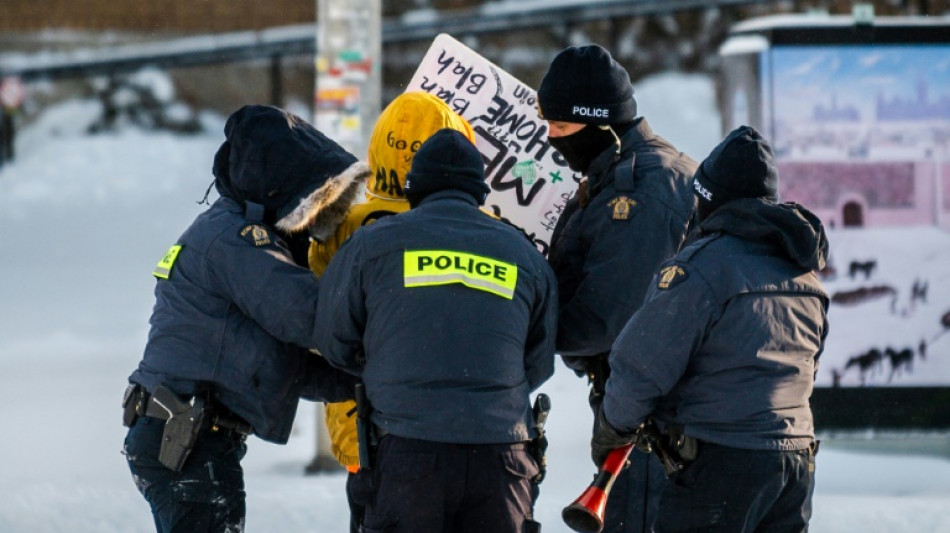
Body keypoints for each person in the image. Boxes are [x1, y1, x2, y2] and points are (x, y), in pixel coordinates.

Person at [122, 104, 368, 533]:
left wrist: (365, 378)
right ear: (281, 190)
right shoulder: (236, 241)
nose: (315, 218)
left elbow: (280, 367)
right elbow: (308, 315)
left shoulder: (233, 235)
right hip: (185, 440)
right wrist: (391, 318)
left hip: (185, 436)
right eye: (314, 200)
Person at [314, 128, 558, 533]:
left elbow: (334, 341)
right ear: (480, 192)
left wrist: (389, 372)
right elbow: (538, 362)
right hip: (502, 460)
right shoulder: (524, 256)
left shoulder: (369, 246)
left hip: (407, 456)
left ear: (414, 190)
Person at [591, 125, 829, 533]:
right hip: (794, 465)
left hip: (722, 468)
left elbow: (640, 366)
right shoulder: (806, 277)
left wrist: (613, 429)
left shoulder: (702, 269)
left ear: (707, 200)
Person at [536, 44, 698, 532]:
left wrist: (526, 333)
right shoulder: (619, 173)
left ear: (600, 123)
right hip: (642, 409)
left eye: (561, 128)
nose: (550, 139)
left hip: (656, 418)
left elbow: (612, 317)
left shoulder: (642, 190)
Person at [306, 91, 476, 533]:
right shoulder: (478, 229)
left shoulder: (342, 225)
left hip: (361, 429)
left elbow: (318, 315)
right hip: (463, 435)